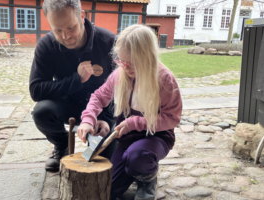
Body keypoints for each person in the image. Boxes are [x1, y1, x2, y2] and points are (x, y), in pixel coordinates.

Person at [77, 24, 182, 200]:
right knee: (109, 191)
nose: (125, 67)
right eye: (121, 61)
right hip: (127, 140)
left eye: (132, 63)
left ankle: (147, 177)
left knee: (137, 157)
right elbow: (98, 97)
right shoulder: (120, 74)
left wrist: (135, 122)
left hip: (156, 137)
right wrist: (88, 119)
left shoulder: (164, 79)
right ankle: (136, 168)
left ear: (147, 56)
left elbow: (172, 118)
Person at [29, 0, 117, 172]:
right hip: (68, 105)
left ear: (82, 16)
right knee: (41, 111)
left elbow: (124, 88)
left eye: (71, 27)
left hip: (102, 111)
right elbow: (36, 90)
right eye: (58, 30)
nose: (65, 36)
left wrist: (105, 117)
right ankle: (61, 145)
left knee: (106, 165)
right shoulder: (46, 45)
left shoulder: (109, 42)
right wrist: (77, 80)